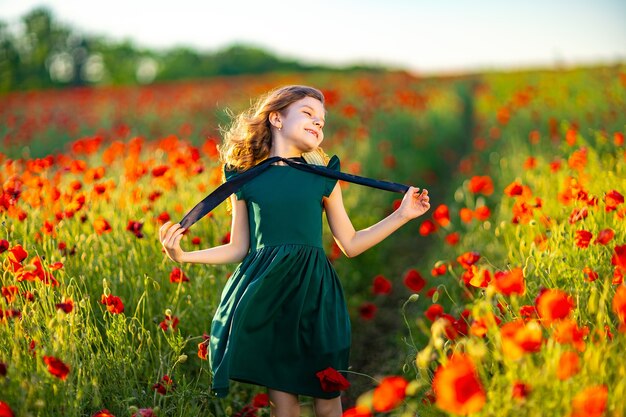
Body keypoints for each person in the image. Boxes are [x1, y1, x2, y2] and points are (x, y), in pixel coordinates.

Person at [159, 85, 430, 417]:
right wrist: (184, 256)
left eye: (322, 120)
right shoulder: (245, 179)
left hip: (316, 295)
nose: (318, 123)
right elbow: (239, 247)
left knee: (328, 399)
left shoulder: (323, 178)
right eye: (307, 114)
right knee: (283, 404)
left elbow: (351, 243)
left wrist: (403, 214)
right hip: (270, 295)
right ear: (276, 118)